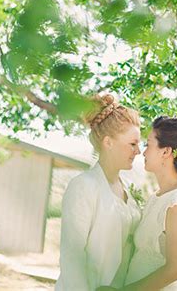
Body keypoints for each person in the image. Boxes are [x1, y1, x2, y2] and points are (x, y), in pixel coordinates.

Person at [98, 116, 177, 291]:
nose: (142, 152)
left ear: (165, 152)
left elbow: (174, 270)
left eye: (148, 145)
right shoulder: (157, 197)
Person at [55, 94, 142, 291]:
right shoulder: (83, 187)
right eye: (132, 144)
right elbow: (71, 258)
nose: (138, 151)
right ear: (108, 142)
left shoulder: (129, 188)